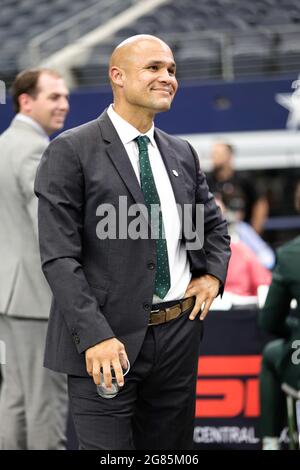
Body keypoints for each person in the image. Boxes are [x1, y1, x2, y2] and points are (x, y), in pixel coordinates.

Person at [34, 35, 231, 450]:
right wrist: (95, 336)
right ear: (117, 77)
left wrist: (212, 275)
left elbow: (210, 229)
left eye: (172, 70)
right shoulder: (71, 150)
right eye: (154, 68)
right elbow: (59, 258)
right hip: (106, 342)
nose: (167, 77)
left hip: (178, 336)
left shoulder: (183, 153)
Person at [0, 69, 70, 449]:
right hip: (36, 300)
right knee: (44, 403)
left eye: (65, 96)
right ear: (26, 101)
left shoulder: (4, 143)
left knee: (15, 398)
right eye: (54, 97)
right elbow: (49, 227)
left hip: (9, 298)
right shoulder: (34, 148)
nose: (64, 104)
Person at [259, 182, 300, 450]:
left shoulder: (290, 255)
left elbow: (270, 320)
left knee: (272, 353)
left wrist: (295, 331)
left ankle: (271, 442)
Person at [207, 142, 269, 234]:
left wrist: (254, 232)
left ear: (229, 156)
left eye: (218, 153)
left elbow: (261, 203)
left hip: (240, 233)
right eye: (213, 154)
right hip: (217, 235)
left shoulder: (243, 180)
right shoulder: (207, 181)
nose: (214, 157)